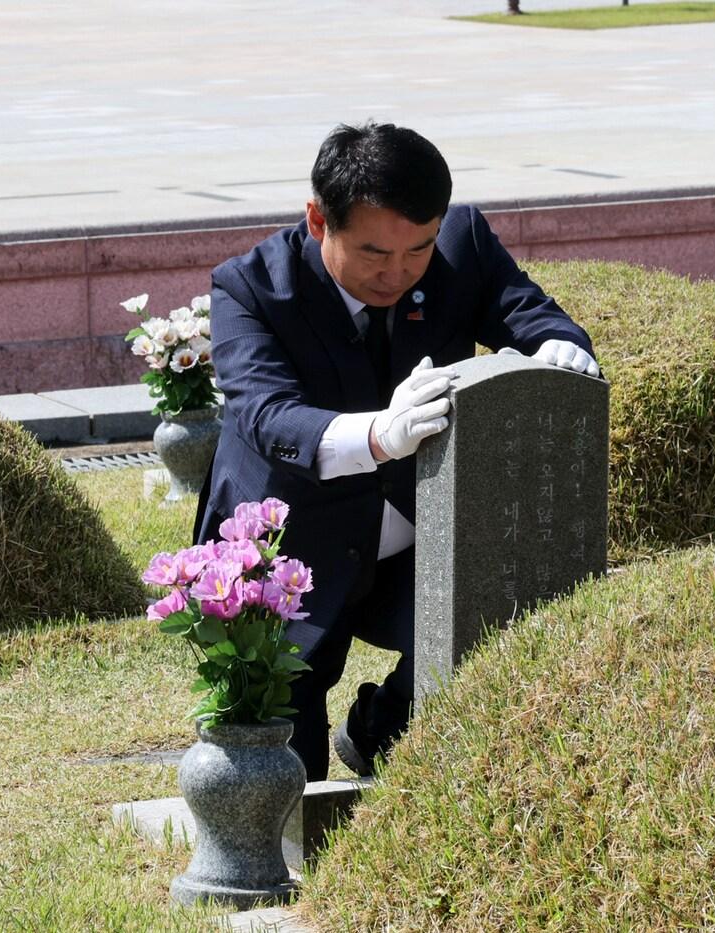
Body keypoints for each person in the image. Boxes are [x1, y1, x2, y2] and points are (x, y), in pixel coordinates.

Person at [195, 121, 598, 780]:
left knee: (496, 624)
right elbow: (268, 415)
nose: (399, 271)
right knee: (285, 788)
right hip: (291, 551)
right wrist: (381, 433)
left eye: (419, 248)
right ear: (318, 219)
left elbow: (531, 315)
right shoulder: (250, 288)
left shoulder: (462, 243)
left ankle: (380, 728)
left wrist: (563, 347)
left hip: (414, 541)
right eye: (375, 252)